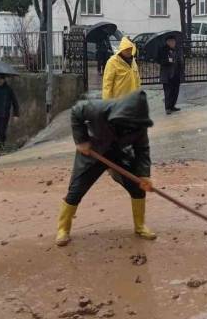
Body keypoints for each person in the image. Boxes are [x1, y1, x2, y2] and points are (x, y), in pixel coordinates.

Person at [56, 90, 156, 246]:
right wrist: (81, 141)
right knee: (76, 190)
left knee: (137, 188)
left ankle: (140, 226)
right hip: (93, 153)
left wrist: (144, 175)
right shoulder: (100, 108)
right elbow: (76, 111)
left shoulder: (139, 127)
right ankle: (63, 229)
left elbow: (142, 150)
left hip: (118, 155)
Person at [158, 35, 182, 115]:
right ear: (167, 42)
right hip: (167, 75)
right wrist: (168, 61)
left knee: (175, 91)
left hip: (176, 73)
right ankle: (167, 108)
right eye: (171, 41)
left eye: (174, 41)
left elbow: (179, 60)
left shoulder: (177, 49)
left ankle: (172, 106)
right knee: (168, 92)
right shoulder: (163, 50)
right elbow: (160, 61)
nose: (173, 43)